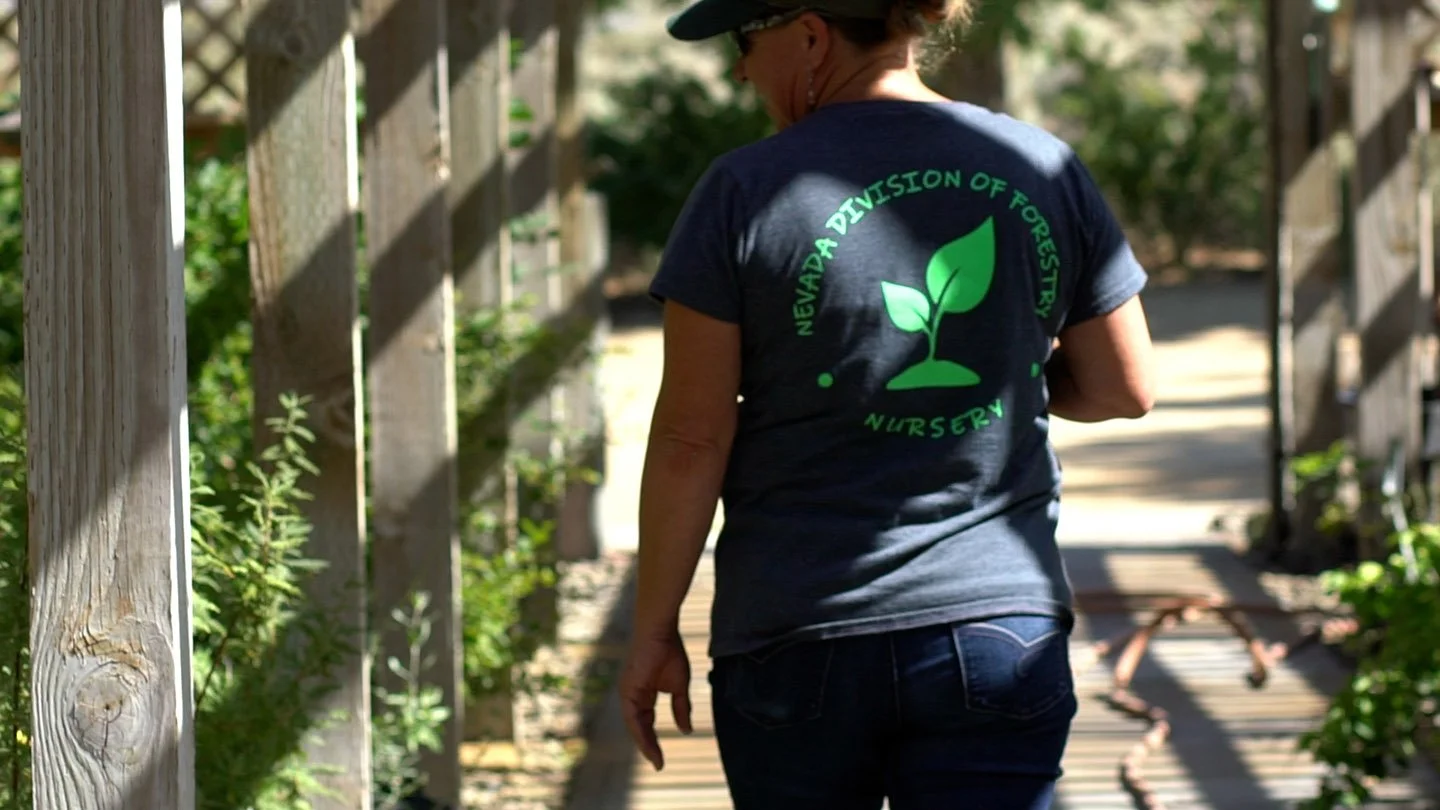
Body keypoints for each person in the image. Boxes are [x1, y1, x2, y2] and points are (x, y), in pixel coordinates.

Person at [616, 0, 1156, 807]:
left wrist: (655, 632)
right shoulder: (1040, 163)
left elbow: (693, 439)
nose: (738, 69)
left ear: (809, 33)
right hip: (997, 626)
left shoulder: (742, 190)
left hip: (798, 636)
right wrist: (998, 380)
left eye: (744, 42)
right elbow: (1124, 386)